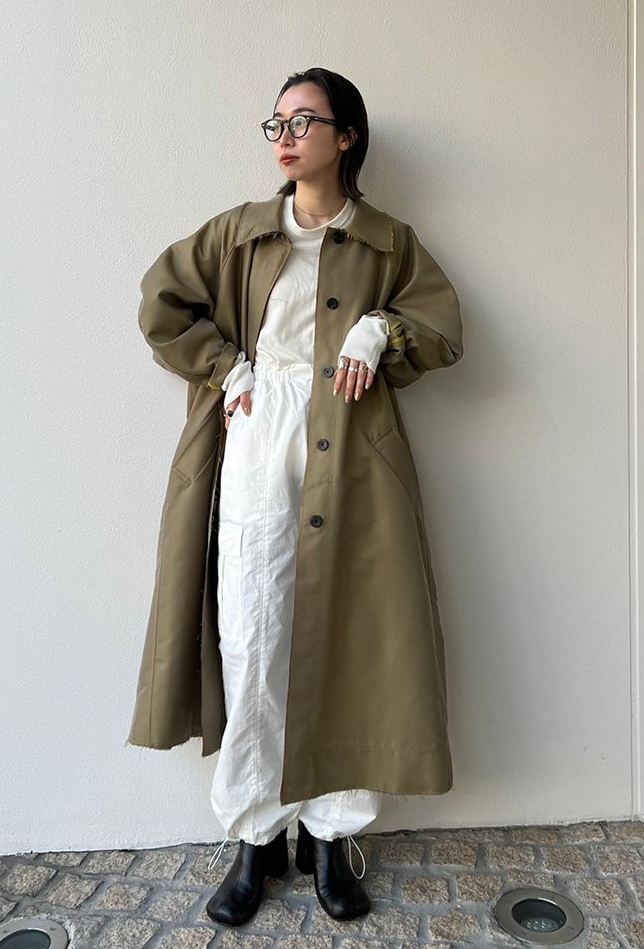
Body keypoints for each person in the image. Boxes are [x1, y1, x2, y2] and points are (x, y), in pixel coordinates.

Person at [126, 67, 464, 927]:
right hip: (255, 440)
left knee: (345, 634)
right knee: (254, 635)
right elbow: (163, 305)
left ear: (346, 137)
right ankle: (256, 835)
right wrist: (225, 367)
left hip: (351, 450)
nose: (285, 136)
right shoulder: (238, 233)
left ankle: (330, 836)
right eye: (276, 122)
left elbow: (442, 331)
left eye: (304, 121)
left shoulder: (389, 242)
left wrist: (381, 327)